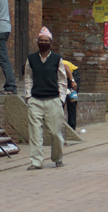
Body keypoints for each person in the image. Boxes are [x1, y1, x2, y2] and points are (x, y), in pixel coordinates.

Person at [22, 27, 74, 170]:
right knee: (35, 133)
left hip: (53, 100)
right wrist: (28, 96)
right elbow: (28, 78)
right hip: (35, 101)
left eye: (46, 41)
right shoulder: (31, 58)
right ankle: (36, 161)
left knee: (55, 133)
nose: (43, 43)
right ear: (37, 42)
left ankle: (57, 158)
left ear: (51, 43)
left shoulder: (57, 59)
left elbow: (62, 81)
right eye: (41, 41)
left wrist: (61, 99)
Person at [62, 56, 79, 129]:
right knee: (61, 101)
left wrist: (72, 81)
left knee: (71, 102)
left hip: (73, 76)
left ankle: (72, 127)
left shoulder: (51, 61)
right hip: (63, 79)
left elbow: (66, 67)